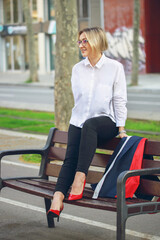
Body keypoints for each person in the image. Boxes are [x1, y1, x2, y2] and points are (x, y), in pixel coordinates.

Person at [47, 27, 128, 221]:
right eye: (79, 41)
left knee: (91, 124)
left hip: (106, 121)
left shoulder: (114, 67)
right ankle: (57, 199)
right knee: (70, 158)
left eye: (85, 41)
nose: (81, 45)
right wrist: (78, 122)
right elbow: (80, 101)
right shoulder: (77, 69)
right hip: (80, 120)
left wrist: (121, 129)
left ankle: (80, 178)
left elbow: (119, 99)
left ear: (96, 42)